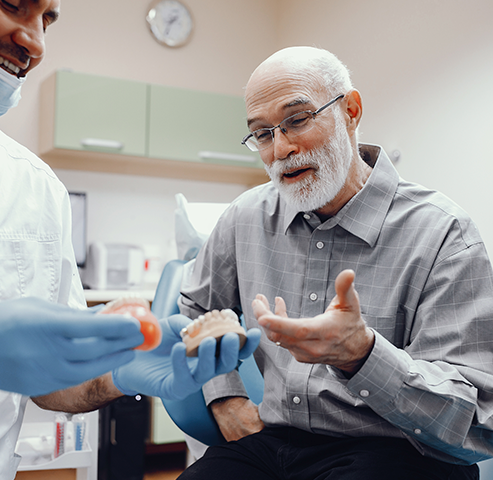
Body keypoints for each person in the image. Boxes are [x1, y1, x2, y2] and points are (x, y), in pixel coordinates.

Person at [0, 0, 261, 478]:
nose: (35, 42)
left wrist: (113, 370)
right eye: (13, 4)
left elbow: (51, 386)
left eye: (47, 19)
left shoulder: (36, 187)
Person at [178, 46, 493, 479]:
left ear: (351, 110)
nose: (281, 149)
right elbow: (196, 309)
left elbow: (478, 423)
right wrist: (225, 397)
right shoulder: (245, 216)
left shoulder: (443, 234)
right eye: (263, 134)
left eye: (297, 120)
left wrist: (362, 355)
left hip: (398, 449)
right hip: (275, 443)